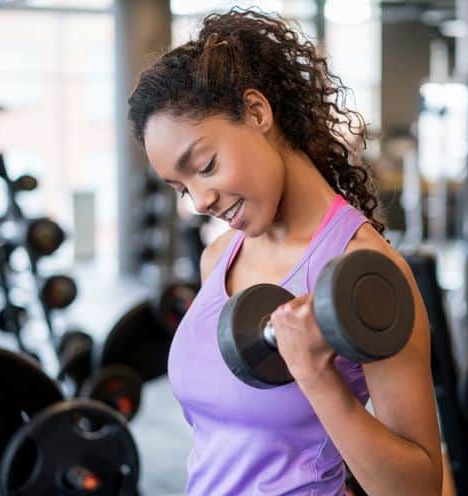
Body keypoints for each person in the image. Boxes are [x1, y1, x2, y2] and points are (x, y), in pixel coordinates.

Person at [128, 9, 442, 496]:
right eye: (181, 187)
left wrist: (317, 375)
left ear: (257, 112)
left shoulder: (369, 274)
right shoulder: (220, 259)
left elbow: (417, 488)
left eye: (205, 165)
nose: (201, 200)